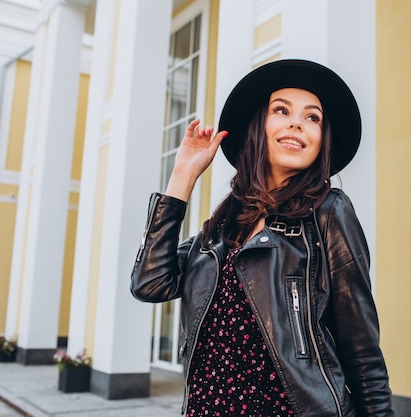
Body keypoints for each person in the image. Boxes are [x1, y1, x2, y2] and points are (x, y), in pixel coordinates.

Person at [131, 59, 394, 417]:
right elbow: (150, 284)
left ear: (321, 140)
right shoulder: (221, 229)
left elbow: (362, 349)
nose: (297, 122)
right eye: (281, 110)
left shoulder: (329, 213)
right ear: (259, 126)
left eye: (312, 117)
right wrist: (182, 175)